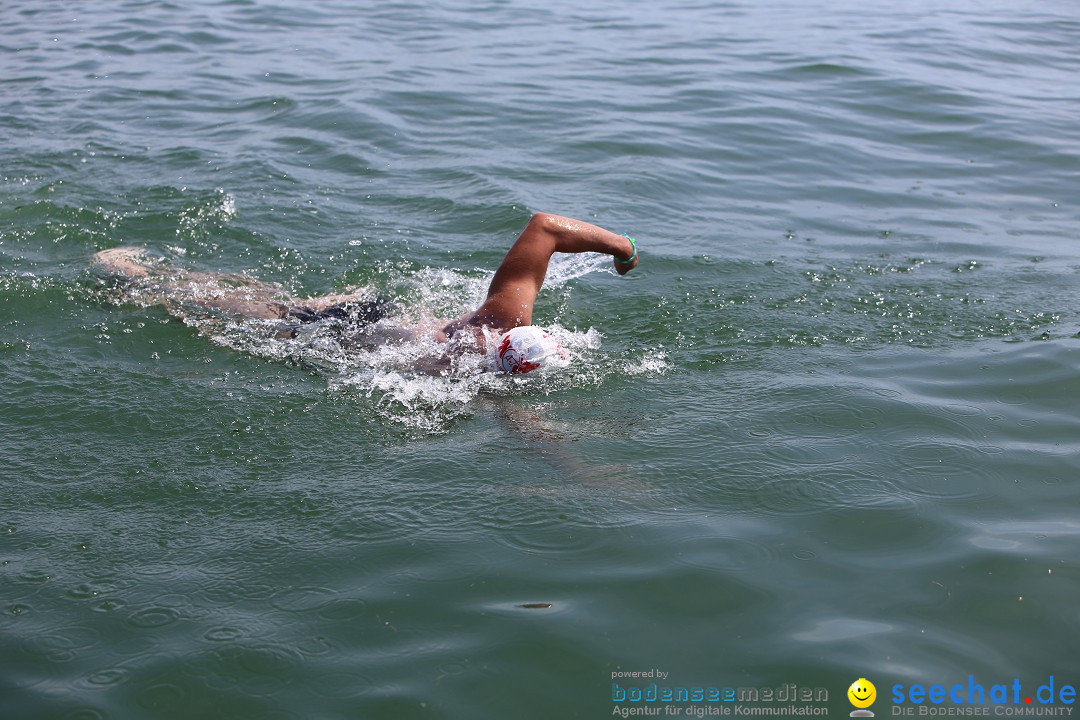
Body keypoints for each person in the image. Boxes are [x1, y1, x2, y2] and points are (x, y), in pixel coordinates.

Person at [92, 212, 639, 374]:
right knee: (229, 320)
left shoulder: (502, 315)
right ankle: (137, 281)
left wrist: (623, 247)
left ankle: (328, 298)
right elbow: (537, 439)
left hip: (375, 316)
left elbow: (544, 225)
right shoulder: (471, 377)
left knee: (282, 303)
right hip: (344, 335)